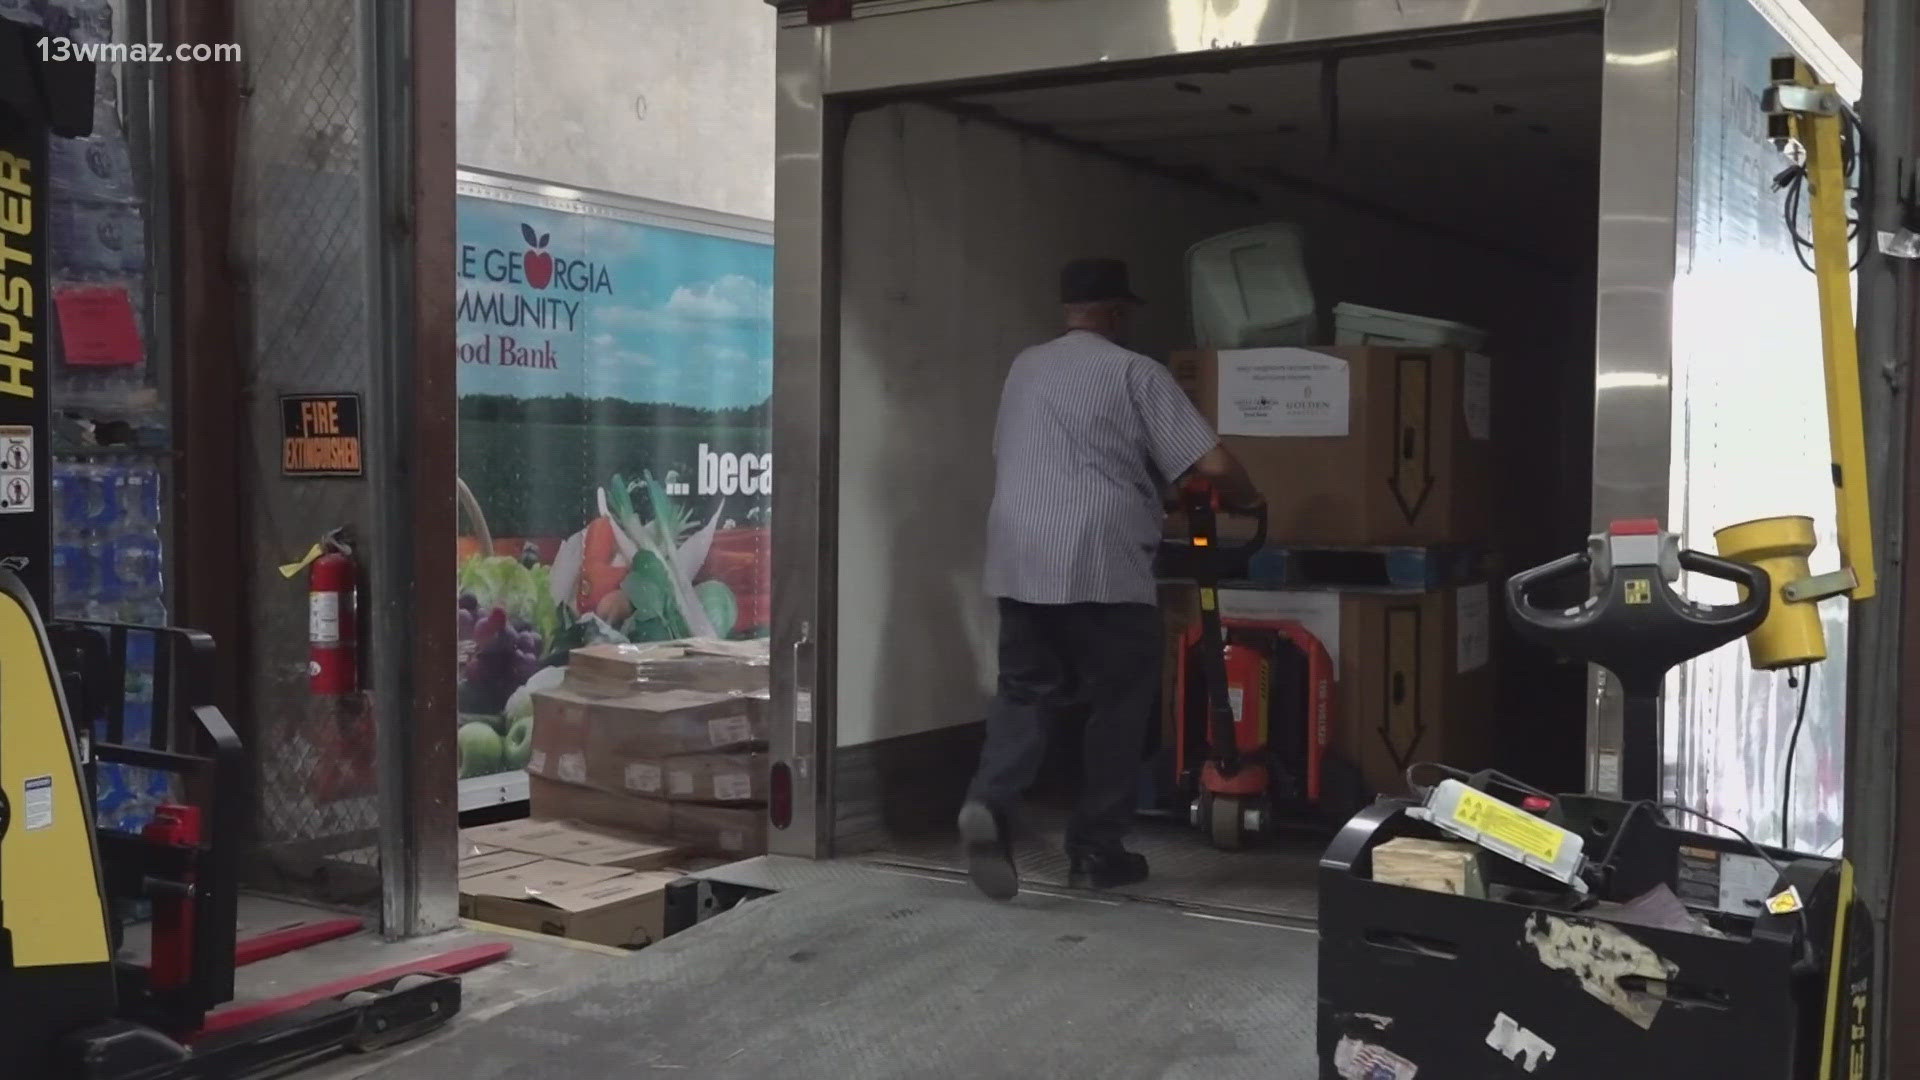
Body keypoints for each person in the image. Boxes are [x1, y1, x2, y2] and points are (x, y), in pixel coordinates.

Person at [958, 256, 1263, 901]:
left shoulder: (1025, 366)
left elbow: (1052, 453)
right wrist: (1249, 498)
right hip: (1100, 557)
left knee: (1024, 691)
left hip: (1019, 552)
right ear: (1119, 313)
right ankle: (1096, 849)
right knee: (1120, 702)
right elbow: (1211, 460)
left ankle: (989, 802)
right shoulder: (1134, 370)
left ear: (1069, 310)